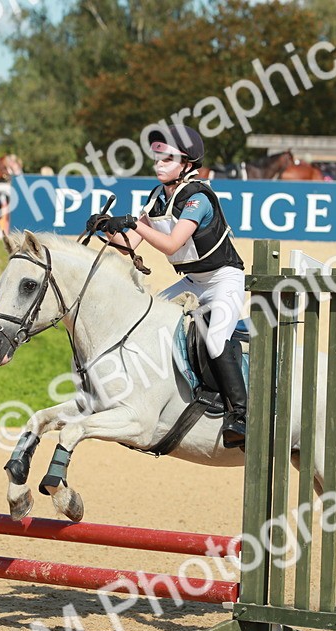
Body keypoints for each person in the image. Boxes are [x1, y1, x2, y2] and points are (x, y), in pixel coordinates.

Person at [89, 124, 248, 449]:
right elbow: (128, 243)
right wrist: (105, 229)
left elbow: (173, 244)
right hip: (191, 281)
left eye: (167, 158)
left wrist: (133, 222)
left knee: (216, 340)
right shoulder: (159, 197)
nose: (159, 163)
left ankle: (242, 415)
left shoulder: (198, 197)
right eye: (158, 157)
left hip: (223, 279)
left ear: (188, 163)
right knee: (144, 323)